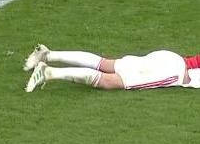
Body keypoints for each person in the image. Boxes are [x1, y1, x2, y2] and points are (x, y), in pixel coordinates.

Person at [24, 43, 200, 92]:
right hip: (174, 72)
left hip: (170, 58)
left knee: (106, 64)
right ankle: (49, 72)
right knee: (109, 82)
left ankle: (47, 54)